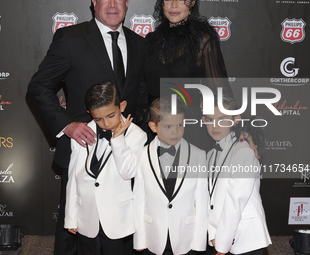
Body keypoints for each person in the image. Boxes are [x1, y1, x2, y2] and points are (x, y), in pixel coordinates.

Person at [27, 0, 147, 254]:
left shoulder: (139, 43)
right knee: (75, 232)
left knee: (123, 230)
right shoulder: (71, 38)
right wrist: (67, 125)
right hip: (84, 149)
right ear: (94, 2)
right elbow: (39, 87)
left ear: (127, 2)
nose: (113, 4)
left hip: (126, 154)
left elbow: (142, 96)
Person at [64, 82, 147, 255]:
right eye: (98, 119)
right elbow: (73, 176)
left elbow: (128, 172)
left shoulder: (137, 135)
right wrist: (71, 217)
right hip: (86, 213)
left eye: (111, 115)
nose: (106, 123)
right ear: (90, 114)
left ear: (122, 106)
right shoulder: (83, 132)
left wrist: (118, 140)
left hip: (116, 216)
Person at [143, 0, 233, 151]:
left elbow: (220, 91)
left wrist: (242, 131)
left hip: (189, 129)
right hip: (154, 130)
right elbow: (141, 89)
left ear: (192, 3)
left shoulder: (203, 41)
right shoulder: (150, 41)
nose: (174, 4)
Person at [133, 97, 208, 255]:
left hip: (186, 238)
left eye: (180, 125)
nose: (175, 131)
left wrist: (199, 242)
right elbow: (139, 201)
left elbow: (202, 203)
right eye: (168, 126)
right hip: (153, 237)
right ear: (153, 126)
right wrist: (139, 238)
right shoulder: (141, 155)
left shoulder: (199, 156)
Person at [202, 96, 271, 255]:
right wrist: (213, 234)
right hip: (222, 237)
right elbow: (211, 199)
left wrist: (222, 243)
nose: (215, 126)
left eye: (222, 119)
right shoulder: (211, 154)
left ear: (236, 120)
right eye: (210, 119)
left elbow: (235, 201)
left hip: (245, 240)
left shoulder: (243, 151)